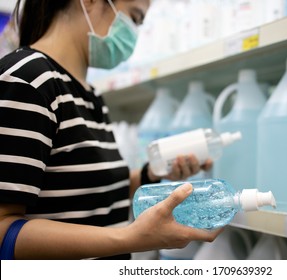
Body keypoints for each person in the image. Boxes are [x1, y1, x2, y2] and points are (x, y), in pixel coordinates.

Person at [0, 0, 221, 260]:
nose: (134, 34)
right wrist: (129, 238)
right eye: (135, 18)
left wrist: (154, 174)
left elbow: (87, 194)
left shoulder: (89, 94)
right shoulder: (28, 80)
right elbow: (3, 229)